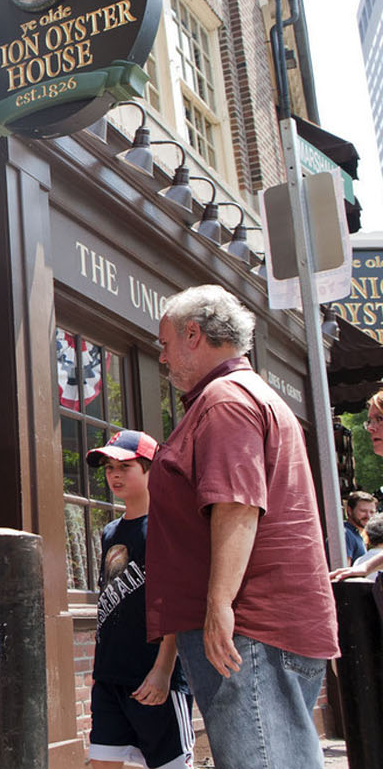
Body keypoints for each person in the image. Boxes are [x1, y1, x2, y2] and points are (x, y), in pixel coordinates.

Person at [146, 285, 338, 769]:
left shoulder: (224, 400)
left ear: (194, 334)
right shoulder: (245, 394)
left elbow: (237, 506)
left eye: (166, 343)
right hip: (262, 630)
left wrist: (219, 607)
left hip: (248, 632)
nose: (162, 357)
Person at [84, 430, 193, 769]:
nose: (114, 475)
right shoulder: (110, 533)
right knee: (102, 761)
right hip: (110, 678)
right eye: (109, 468)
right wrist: (101, 670)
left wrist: (163, 670)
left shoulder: (167, 526)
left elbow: (177, 603)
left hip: (154, 675)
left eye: (124, 467)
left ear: (150, 469)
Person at [343, 490, 376, 564]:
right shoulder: (346, 534)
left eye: (372, 512)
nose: (368, 516)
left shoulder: (357, 535)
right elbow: (342, 568)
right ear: (349, 511)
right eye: (363, 511)